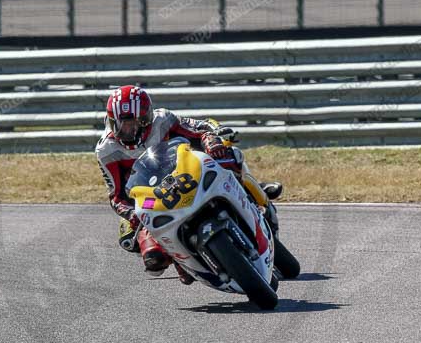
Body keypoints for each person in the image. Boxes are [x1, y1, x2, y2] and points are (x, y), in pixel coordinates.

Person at [95, 85, 282, 284]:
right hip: (152, 196)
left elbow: (199, 127)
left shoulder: (163, 120)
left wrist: (211, 139)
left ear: (145, 119)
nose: (128, 131)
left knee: (229, 156)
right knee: (141, 247)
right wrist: (132, 214)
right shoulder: (106, 151)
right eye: (121, 125)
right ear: (111, 122)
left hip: (187, 170)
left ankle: (255, 192)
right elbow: (116, 196)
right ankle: (186, 262)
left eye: (134, 123)